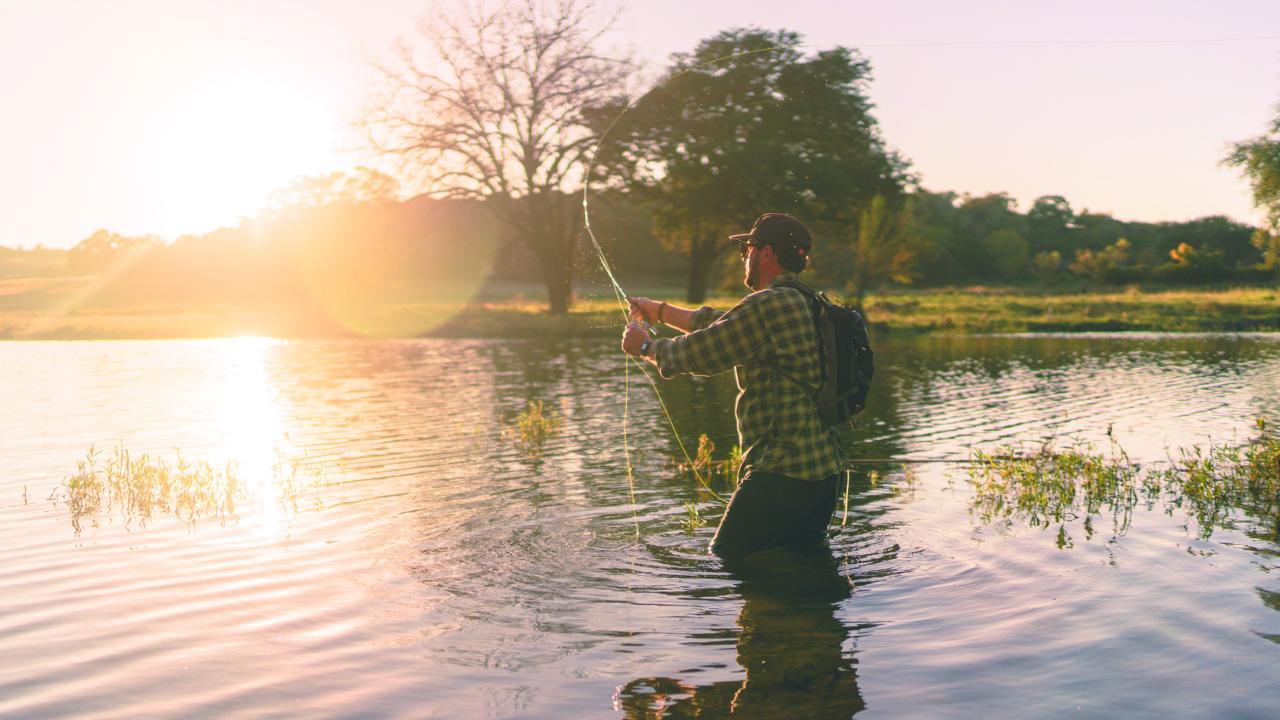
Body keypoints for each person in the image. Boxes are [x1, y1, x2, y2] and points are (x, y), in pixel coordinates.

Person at [621, 212, 846, 555]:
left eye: (747, 250)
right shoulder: (806, 301)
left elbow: (703, 352)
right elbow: (720, 324)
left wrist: (646, 347)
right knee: (801, 567)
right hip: (823, 477)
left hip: (781, 475)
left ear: (766, 253)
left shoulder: (768, 304)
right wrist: (660, 311)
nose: (745, 258)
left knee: (728, 558)